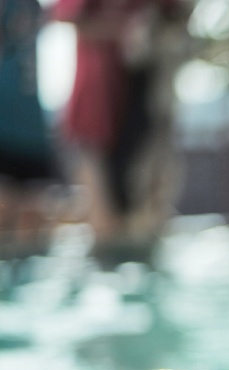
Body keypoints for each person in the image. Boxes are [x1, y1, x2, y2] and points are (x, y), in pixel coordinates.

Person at [53, 0, 185, 264]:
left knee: (146, 220)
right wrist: (126, 30)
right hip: (96, 107)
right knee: (105, 222)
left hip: (142, 111)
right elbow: (66, 17)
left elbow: (179, 15)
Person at [0, 0, 58, 259]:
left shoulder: (32, 5)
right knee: (7, 211)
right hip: (7, 127)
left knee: (33, 220)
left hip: (31, 129)